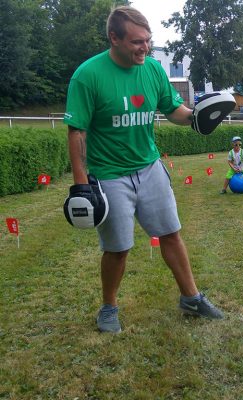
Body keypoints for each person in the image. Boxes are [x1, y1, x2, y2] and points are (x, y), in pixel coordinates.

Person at [63, 6, 224, 333]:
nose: (145, 48)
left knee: (171, 234)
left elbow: (172, 109)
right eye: (137, 42)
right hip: (109, 174)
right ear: (114, 38)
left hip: (149, 167)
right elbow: (77, 132)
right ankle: (109, 307)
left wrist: (196, 118)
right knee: (118, 248)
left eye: (148, 41)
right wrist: (81, 186)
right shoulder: (88, 75)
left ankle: (191, 297)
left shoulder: (152, 70)